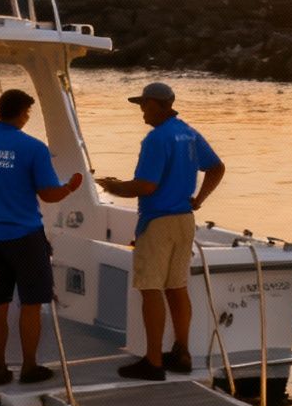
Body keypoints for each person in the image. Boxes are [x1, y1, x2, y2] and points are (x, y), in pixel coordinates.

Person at [95, 82, 224, 381]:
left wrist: (114, 187)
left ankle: (153, 362)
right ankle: (182, 352)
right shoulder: (188, 133)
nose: (141, 110)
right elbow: (217, 167)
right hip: (184, 219)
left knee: (151, 288)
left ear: (156, 104)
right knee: (176, 287)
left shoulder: (156, 139)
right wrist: (199, 200)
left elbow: (147, 186)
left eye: (144, 104)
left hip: (158, 221)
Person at [0, 89, 86, 386]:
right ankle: (29, 367)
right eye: (28, 112)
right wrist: (70, 187)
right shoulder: (32, 148)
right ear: (23, 112)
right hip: (25, 236)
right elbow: (48, 194)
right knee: (31, 302)